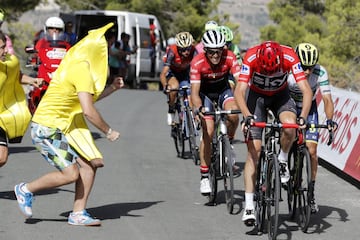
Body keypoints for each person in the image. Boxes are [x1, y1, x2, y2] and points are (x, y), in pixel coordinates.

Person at [14, 23, 123, 226]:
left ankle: (78, 213)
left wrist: (112, 89)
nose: (107, 52)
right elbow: (89, 111)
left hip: (63, 126)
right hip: (47, 128)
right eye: (106, 47)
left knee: (90, 165)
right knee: (71, 173)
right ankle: (25, 189)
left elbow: (84, 103)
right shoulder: (81, 68)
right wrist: (108, 131)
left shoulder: (80, 63)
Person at [234, 40, 313, 226]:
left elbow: (306, 90)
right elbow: (239, 90)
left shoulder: (289, 56)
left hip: (280, 96)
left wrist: (302, 117)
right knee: (254, 151)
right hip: (257, 97)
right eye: (266, 71)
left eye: (273, 70)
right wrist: (246, 116)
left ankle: (283, 159)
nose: (270, 73)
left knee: (290, 125)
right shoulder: (251, 56)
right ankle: (249, 205)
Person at [288, 42, 337, 213]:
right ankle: (283, 166)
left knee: (312, 151)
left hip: (310, 111)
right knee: (286, 137)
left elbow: (327, 100)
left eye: (310, 67)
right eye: (304, 67)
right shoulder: (289, 70)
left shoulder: (320, 71)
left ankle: (311, 192)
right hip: (290, 106)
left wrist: (330, 120)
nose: (307, 72)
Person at [190, 29, 240, 194]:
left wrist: (244, 103)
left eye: (219, 51)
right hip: (204, 95)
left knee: (233, 114)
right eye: (211, 52)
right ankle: (204, 176)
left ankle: (229, 144)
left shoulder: (230, 57)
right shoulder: (197, 63)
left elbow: (241, 83)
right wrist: (198, 108)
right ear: (205, 50)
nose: (215, 55)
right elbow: (195, 94)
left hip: (223, 91)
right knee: (208, 131)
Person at [0, 30, 43, 168]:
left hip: (1, 115)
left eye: (4, 46)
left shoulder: (8, 63)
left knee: (2, 157)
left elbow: (16, 76)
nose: (6, 50)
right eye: (1, 47)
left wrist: (32, 80)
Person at [29, 16, 71, 114]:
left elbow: (71, 55)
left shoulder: (67, 44)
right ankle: (32, 106)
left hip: (60, 73)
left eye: (58, 29)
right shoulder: (41, 42)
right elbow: (36, 53)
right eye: (51, 28)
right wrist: (33, 59)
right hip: (45, 72)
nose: (54, 30)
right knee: (33, 86)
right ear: (46, 29)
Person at [160, 31, 197, 125]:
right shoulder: (172, 51)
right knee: (174, 88)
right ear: (178, 48)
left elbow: (197, 68)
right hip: (172, 72)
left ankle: (190, 117)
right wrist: (165, 86)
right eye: (183, 49)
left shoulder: (194, 51)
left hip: (185, 73)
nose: (186, 52)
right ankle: (171, 109)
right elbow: (163, 73)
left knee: (190, 93)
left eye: (188, 48)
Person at [218, 25, 242, 90]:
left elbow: (239, 66)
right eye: (223, 44)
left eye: (228, 43)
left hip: (228, 73)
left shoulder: (234, 48)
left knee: (231, 86)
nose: (225, 47)